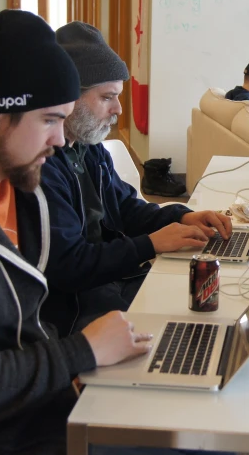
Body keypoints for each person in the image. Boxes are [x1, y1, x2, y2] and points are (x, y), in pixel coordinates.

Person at [0, 10, 236, 455]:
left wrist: (75, 363)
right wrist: (80, 353)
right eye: (51, 119)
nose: (60, 139)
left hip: (33, 401)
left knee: (213, 448)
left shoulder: (19, 181)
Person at [40, 21, 233, 336]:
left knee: (208, 309)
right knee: (184, 327)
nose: (118, 109)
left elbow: (126, 208)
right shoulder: (42, 165)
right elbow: (67, 265)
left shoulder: (89, 147)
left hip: (114, 278)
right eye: (107, 97)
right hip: (79, 305)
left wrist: (184, 216)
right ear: (69, 97)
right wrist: (150, 244)